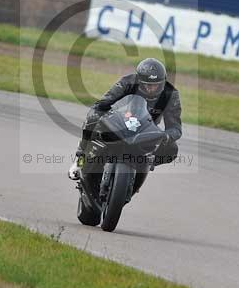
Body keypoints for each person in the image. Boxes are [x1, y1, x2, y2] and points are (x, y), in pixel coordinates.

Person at [68, 58, 182, 193]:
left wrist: (166, 136)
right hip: (119, 121)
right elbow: (102, 104)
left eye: (156, 85)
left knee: (172, 149)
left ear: (163, 82)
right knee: (92, 117)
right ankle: (79, 159)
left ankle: (145, 165)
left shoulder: (171, 94)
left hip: (146, 129)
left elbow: (175, 128)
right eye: (147, 85)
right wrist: (99, 114)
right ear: (139, 80)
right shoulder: (127, 82)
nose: (151, 89)